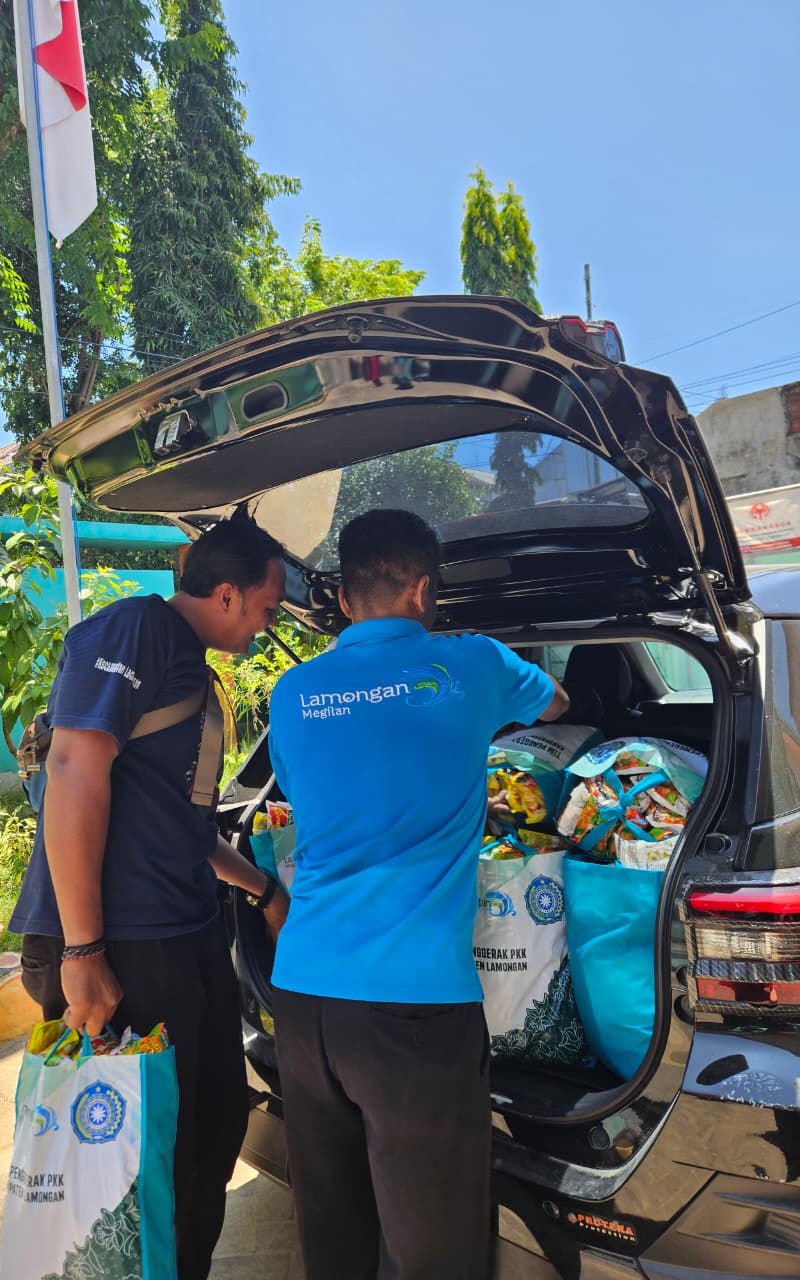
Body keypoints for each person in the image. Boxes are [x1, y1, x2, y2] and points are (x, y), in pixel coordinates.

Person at [267, 508, 570, 1280]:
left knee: (333, 1235)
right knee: (432, 1249)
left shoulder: (293, 691)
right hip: (414, 1016)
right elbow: (558, 707)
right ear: (425, 589)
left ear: (341, 600)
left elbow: (313, 804)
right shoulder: (472, 665)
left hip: (302, 998)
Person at [9, 517, 290, 1280]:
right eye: (268, 606)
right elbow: (71, 768)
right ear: (227, 594)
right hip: (123, 941)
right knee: (146, 1154)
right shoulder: (138, 627)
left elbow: (185, 827)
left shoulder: (194, 673)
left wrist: (263, 887)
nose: (270, 624)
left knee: (207, 1129)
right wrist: (84, 951)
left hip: (182, 930)